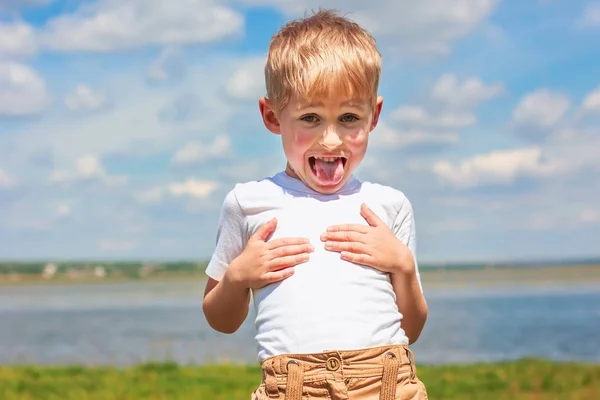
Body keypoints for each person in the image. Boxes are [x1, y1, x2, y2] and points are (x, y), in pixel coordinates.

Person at [202, 8, 429, 400]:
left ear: (373, 116)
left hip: (387, 384)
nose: (331, 140)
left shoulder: (389, 205)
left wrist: (403, 267)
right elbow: (220, 319)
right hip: (293, 388)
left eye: (348, 118)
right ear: (272, 116)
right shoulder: (249, 203)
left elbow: (412, 326)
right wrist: (238, 277)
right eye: (310, 117)